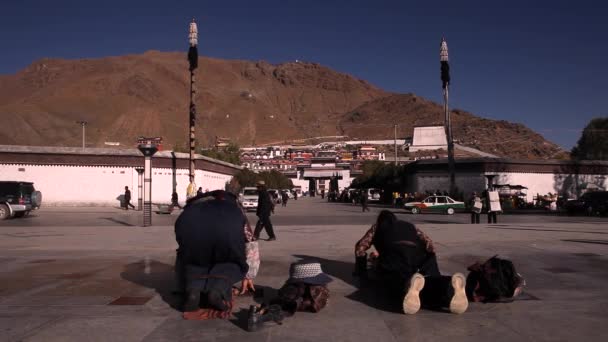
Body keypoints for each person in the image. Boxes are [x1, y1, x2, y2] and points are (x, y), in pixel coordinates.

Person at [354, 210, 468, 314]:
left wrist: (362, 272)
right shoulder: (409, 225)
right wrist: (427, 262)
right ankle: (447, 286)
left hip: (394, 255)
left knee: (395, 281)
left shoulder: (377, 227)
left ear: (380, 220)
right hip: (418, 255)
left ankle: (408, 285)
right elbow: (429, 245)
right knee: (427, 279)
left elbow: (360, 248)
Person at [174, 190, 254, 317]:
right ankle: (217, 291)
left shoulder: (192, 206)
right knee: (230, 263)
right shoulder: (234, 207)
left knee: (193, 261)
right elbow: (250, 242)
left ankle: (193, 290)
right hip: (226, 239)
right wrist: (248, 275)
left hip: (192, 236)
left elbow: (180, 237)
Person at [247, 261, 331, 332]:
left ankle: (262, 314)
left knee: (285, 298)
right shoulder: (320, 289)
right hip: (307, 298)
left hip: (296, 296)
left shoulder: (294, 289)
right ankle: (264, 314)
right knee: (288, 297)